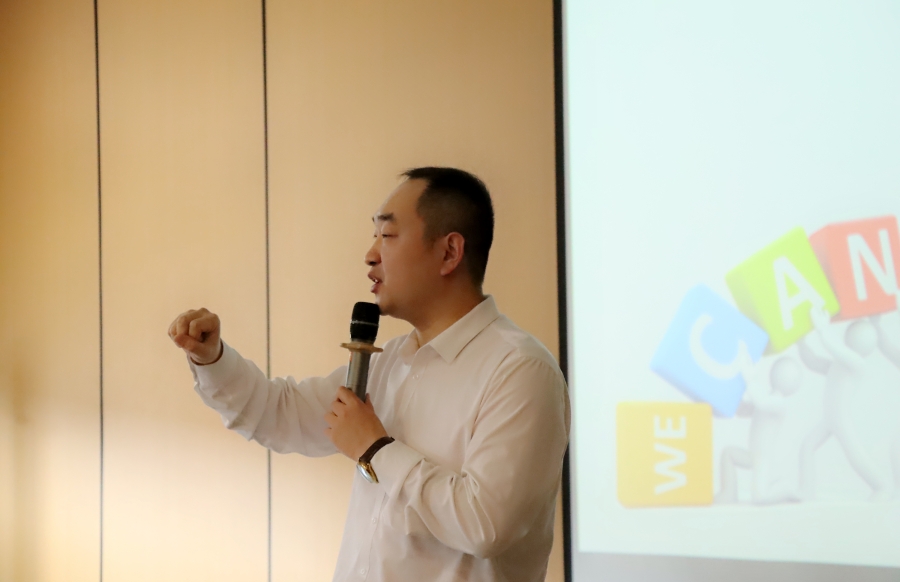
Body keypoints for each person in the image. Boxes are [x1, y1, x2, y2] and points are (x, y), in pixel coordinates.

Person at [167, 167, 571, 582]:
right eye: (374, 235)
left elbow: (485, 525)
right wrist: (212, 359)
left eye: (388, 234)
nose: (370, 254)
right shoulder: (390, 361)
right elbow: (278, 413)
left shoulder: (521, 371)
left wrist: (376, 449)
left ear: (449, 252)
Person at [797, 305, 888, 501]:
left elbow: (836, 349)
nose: (852, 336)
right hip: (829, 420)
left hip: (840, 420)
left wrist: (823, 330)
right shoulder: (837, 365)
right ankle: (806, 491)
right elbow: (812, 361)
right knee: (807, 446)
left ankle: (881, 485)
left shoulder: (857, 365)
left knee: (855, 455)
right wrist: (801, 343)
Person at [716, 354, 802, 505]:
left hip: (763, 459)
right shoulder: (767, 398)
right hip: (751, 454)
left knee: (759, 498)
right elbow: (744, 411)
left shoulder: (779, 404)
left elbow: (761, 401)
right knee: (728, 453)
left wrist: (749, 377)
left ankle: (784, 488)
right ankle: (728, 493)